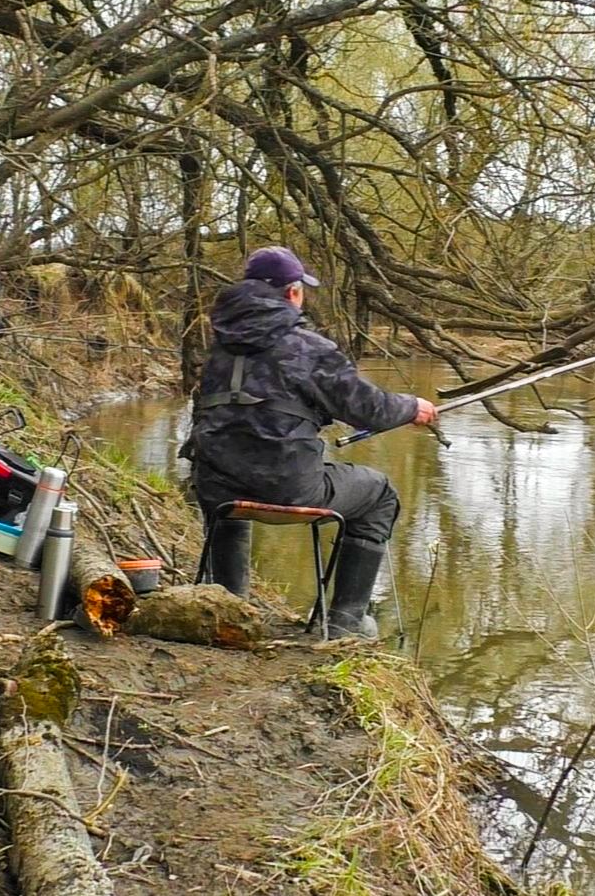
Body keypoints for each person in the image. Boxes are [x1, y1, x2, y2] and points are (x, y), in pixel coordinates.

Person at [181, 247, 436, 639]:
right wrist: (411, 406)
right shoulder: (309, 348)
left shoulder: (215, 347)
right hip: (290, 489)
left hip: (215, 487)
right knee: (380, 495)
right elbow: (368, 409)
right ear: (292, 293)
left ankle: (227, 608)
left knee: (227, 497)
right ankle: (344, 623)